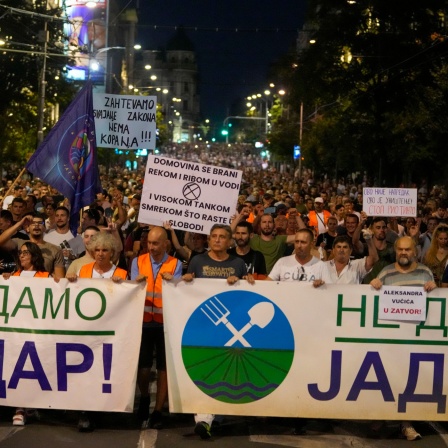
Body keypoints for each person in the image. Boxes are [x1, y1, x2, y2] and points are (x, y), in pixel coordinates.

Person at [183, 224, 254, 439]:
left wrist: (243, 281)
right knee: (206, 370)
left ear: (230, 241)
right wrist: (186, 281)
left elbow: (246, 294)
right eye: (213, 236)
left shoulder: (238, 263)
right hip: (203, 326)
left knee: (226, 370)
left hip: (229, 327)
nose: (217, 240)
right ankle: (204, 418)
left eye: (222, 237)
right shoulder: (197, 261)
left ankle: (213, 415)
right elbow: (187, 291)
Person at [370, 236, 436, 441]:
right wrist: (373, 284)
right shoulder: (387, 271)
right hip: (390, 339)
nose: (404, 253)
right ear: (396, 251)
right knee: (387, 379)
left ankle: (406, 424)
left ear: (414, 251)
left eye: (407, 250)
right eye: (400, 250)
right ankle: (382, 416)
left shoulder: (425, 272)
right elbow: (371, 298)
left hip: (416, 339)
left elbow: (434, 306)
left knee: (409, 382)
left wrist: (435, 289)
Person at [66, 232, 127, 432]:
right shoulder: (83, 270)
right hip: (86, 330)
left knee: (104, 371)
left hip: (111, 331)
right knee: (85, 370)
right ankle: (85, 412)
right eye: (97, 250)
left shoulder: (122, 274)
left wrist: (124, 286)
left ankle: (102, 409)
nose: (100, 254)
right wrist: (71, 280)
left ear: (112, 252)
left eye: (105, 250)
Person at [130, 227, 183, 429]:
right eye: (149, 243)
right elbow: (133, 286)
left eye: (155, 243)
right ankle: (144, 397)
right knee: (142, 368)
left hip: (165, 323)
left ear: (165, 244)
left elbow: (178, 290)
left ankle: (158, 410)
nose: (151, 247)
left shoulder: (176, 263)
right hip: (142, 321)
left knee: (163, 368)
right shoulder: (138, 261)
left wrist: (176, 281)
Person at [2, 242, 49, 426]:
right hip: (17, 331)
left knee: (34, 369)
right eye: (20, 253)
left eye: (25, 252)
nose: (21, 256)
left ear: (34, 255)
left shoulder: (45, 276)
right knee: (18, 367)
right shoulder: (13, 276)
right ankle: (19, 408)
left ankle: (30, 405)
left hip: (38, 330)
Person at [0, 214, 65, 279]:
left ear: (44, 228)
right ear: (27, 228)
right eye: (33, 223)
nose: (36, 225)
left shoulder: (55, 249)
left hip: (43, 286)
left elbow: (60, 278)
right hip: (19, 285)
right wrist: (20, 223)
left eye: (40, 223)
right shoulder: (19, 243)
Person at [312, 233, 378, 287]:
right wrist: (315, 283)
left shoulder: (357, 265)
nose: (341, 250)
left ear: (350, 251)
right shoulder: (323, 266)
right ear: (333, 250)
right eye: (338, 247)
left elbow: (374, 259)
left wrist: (369, 240)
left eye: (345, 247)